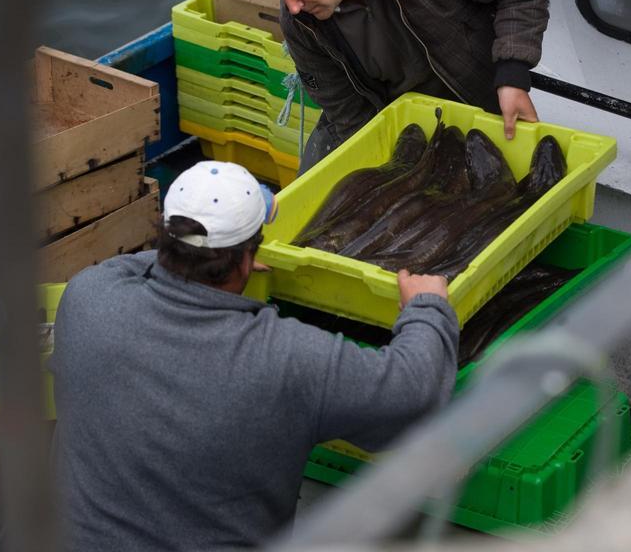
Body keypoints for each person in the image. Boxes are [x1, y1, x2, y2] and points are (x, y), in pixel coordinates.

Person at [50, 160, 458, 550]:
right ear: (247, 260)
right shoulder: (284, 359)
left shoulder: (88, 298)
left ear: (165, 231)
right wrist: (427, 308)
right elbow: (412, 392)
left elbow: (131, 267)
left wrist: (212, 251)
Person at [232, 0, 552, 171]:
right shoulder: (300, 23)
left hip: (478, 94)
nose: (292, 8)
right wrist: (391, 167)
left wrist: (512, 74)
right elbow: (347, 112)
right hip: (396, 120)